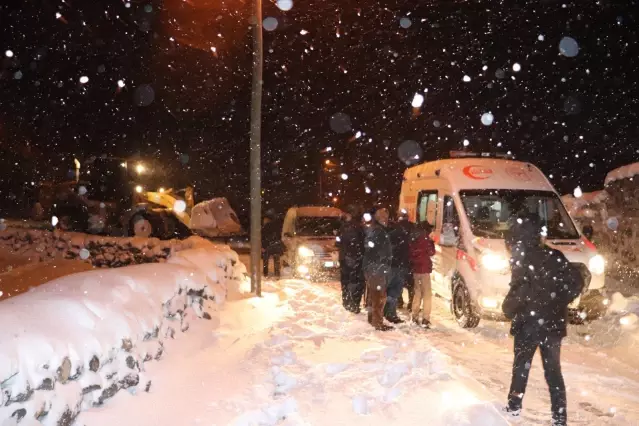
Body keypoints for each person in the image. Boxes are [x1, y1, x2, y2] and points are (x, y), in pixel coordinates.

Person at [502, 215, 584, 426]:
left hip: (528, 325)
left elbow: (519, 292)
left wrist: (508, 308)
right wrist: (560, 300)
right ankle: (559, 417)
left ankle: (513, 408)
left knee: (521, 367)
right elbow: (577, 280)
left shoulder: (524, 260)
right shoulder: (555, 255)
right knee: (553, 372)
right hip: (553, 325)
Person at [362, 206, 394, 331]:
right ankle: (377, 322)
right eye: (384, 217)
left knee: (373, 295)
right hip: (376, 268)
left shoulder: (376, 230)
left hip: (374, 267)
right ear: (380, 218)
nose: (386, 219)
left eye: (387, 217)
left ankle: (372, 319)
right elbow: (373, 248)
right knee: (378, 297)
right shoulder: (378, 231)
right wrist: (382, 261)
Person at [385, 210, 412, 323]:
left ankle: (388, 312)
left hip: (392, 265)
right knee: (395, 291)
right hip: (401, 265)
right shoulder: (408, 233)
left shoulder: (391, 234)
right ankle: (391, 313)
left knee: (390, 290)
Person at [337, 205, 365, 313]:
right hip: (353, 258)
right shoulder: (357, 227)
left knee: (346, 281)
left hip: (346, 258)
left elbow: (339, 242)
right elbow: (359, 244)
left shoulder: (344, 227)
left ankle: (347, 302)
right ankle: (353, 304)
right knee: (355, 282)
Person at [408, 221, 436, 327]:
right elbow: (431, 252)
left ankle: (414, 316)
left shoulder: (413, 238)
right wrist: (432, 242)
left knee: (417, 293)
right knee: (427, 295)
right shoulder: (426, 239)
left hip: (416, 269)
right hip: (424, 270)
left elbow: (410, 253)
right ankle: (425, 319)